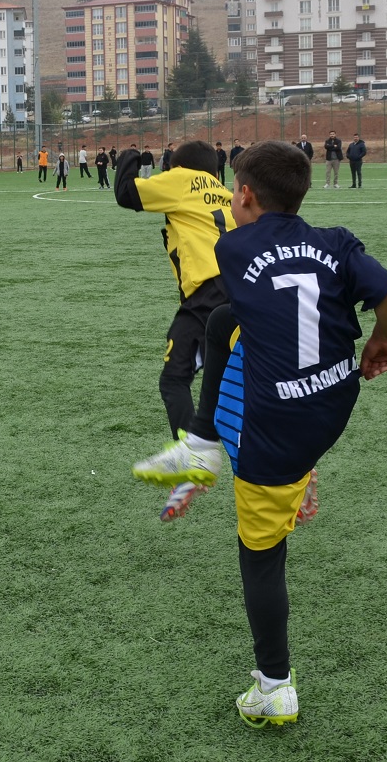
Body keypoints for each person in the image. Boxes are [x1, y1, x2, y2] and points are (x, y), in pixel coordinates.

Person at [132, 141, 387, 727]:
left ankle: (274, 687)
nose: (230, 198)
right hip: (334, 400)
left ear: (247, 195)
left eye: (235, 190)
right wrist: (382, 339)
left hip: (275, 432)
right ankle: (205, 447)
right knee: (225, 324)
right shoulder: (337, 241)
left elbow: (259, 292)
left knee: (260, 558)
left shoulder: (233, 247)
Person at [116, 140, 237, 521]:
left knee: (175, 380)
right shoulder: (225, 192)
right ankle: (291, 465)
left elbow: (126, 193)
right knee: (234, 387)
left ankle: (194, 459)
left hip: (206, 294)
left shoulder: (183, 180)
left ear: (178, 167)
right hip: (240, 290)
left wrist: (132, 154)